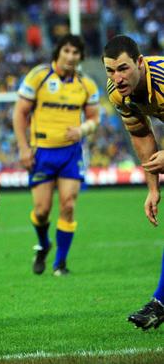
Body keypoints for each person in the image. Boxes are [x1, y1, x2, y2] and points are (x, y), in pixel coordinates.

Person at [12, 34, 100, 277]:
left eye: (76, 53)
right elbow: (20, 114)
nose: (71, 56)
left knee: (69, 205)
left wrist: (82, 129)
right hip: (42, 152)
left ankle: (60, 264)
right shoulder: (39, 76)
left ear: (81, 57)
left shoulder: (86, 85)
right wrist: (23, 147)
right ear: (58, 52)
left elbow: (95, 118)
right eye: (67, 51)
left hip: (71, 154)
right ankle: (44, 244)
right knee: (41, 210)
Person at [103, 34, 164, 330]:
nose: (118, 77)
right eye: (111, 71)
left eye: (124, 68)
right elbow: (140, 133)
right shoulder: (117, 92)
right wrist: (153, 188)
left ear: (140, 62)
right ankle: (161, 302)